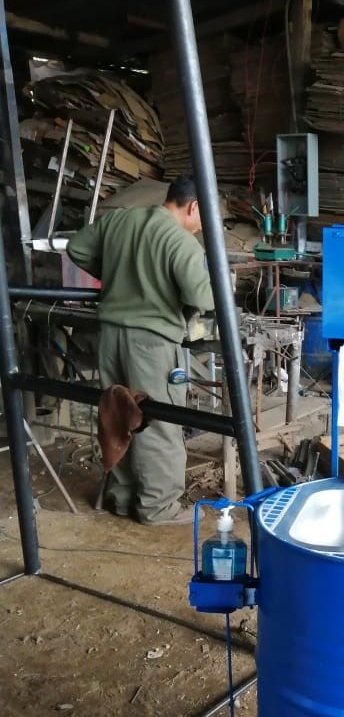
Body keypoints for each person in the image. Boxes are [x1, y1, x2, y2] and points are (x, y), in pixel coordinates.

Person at [66, 176, 214, 524]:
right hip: (152, 343)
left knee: (118, 414)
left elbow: (76, 248)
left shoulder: (118, 219)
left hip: (110, 336)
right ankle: (156, 508)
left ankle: (122, 498)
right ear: (193, 207)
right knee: (157, 422)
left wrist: (115, 273)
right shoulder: (181, 242)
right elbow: (202, 298)